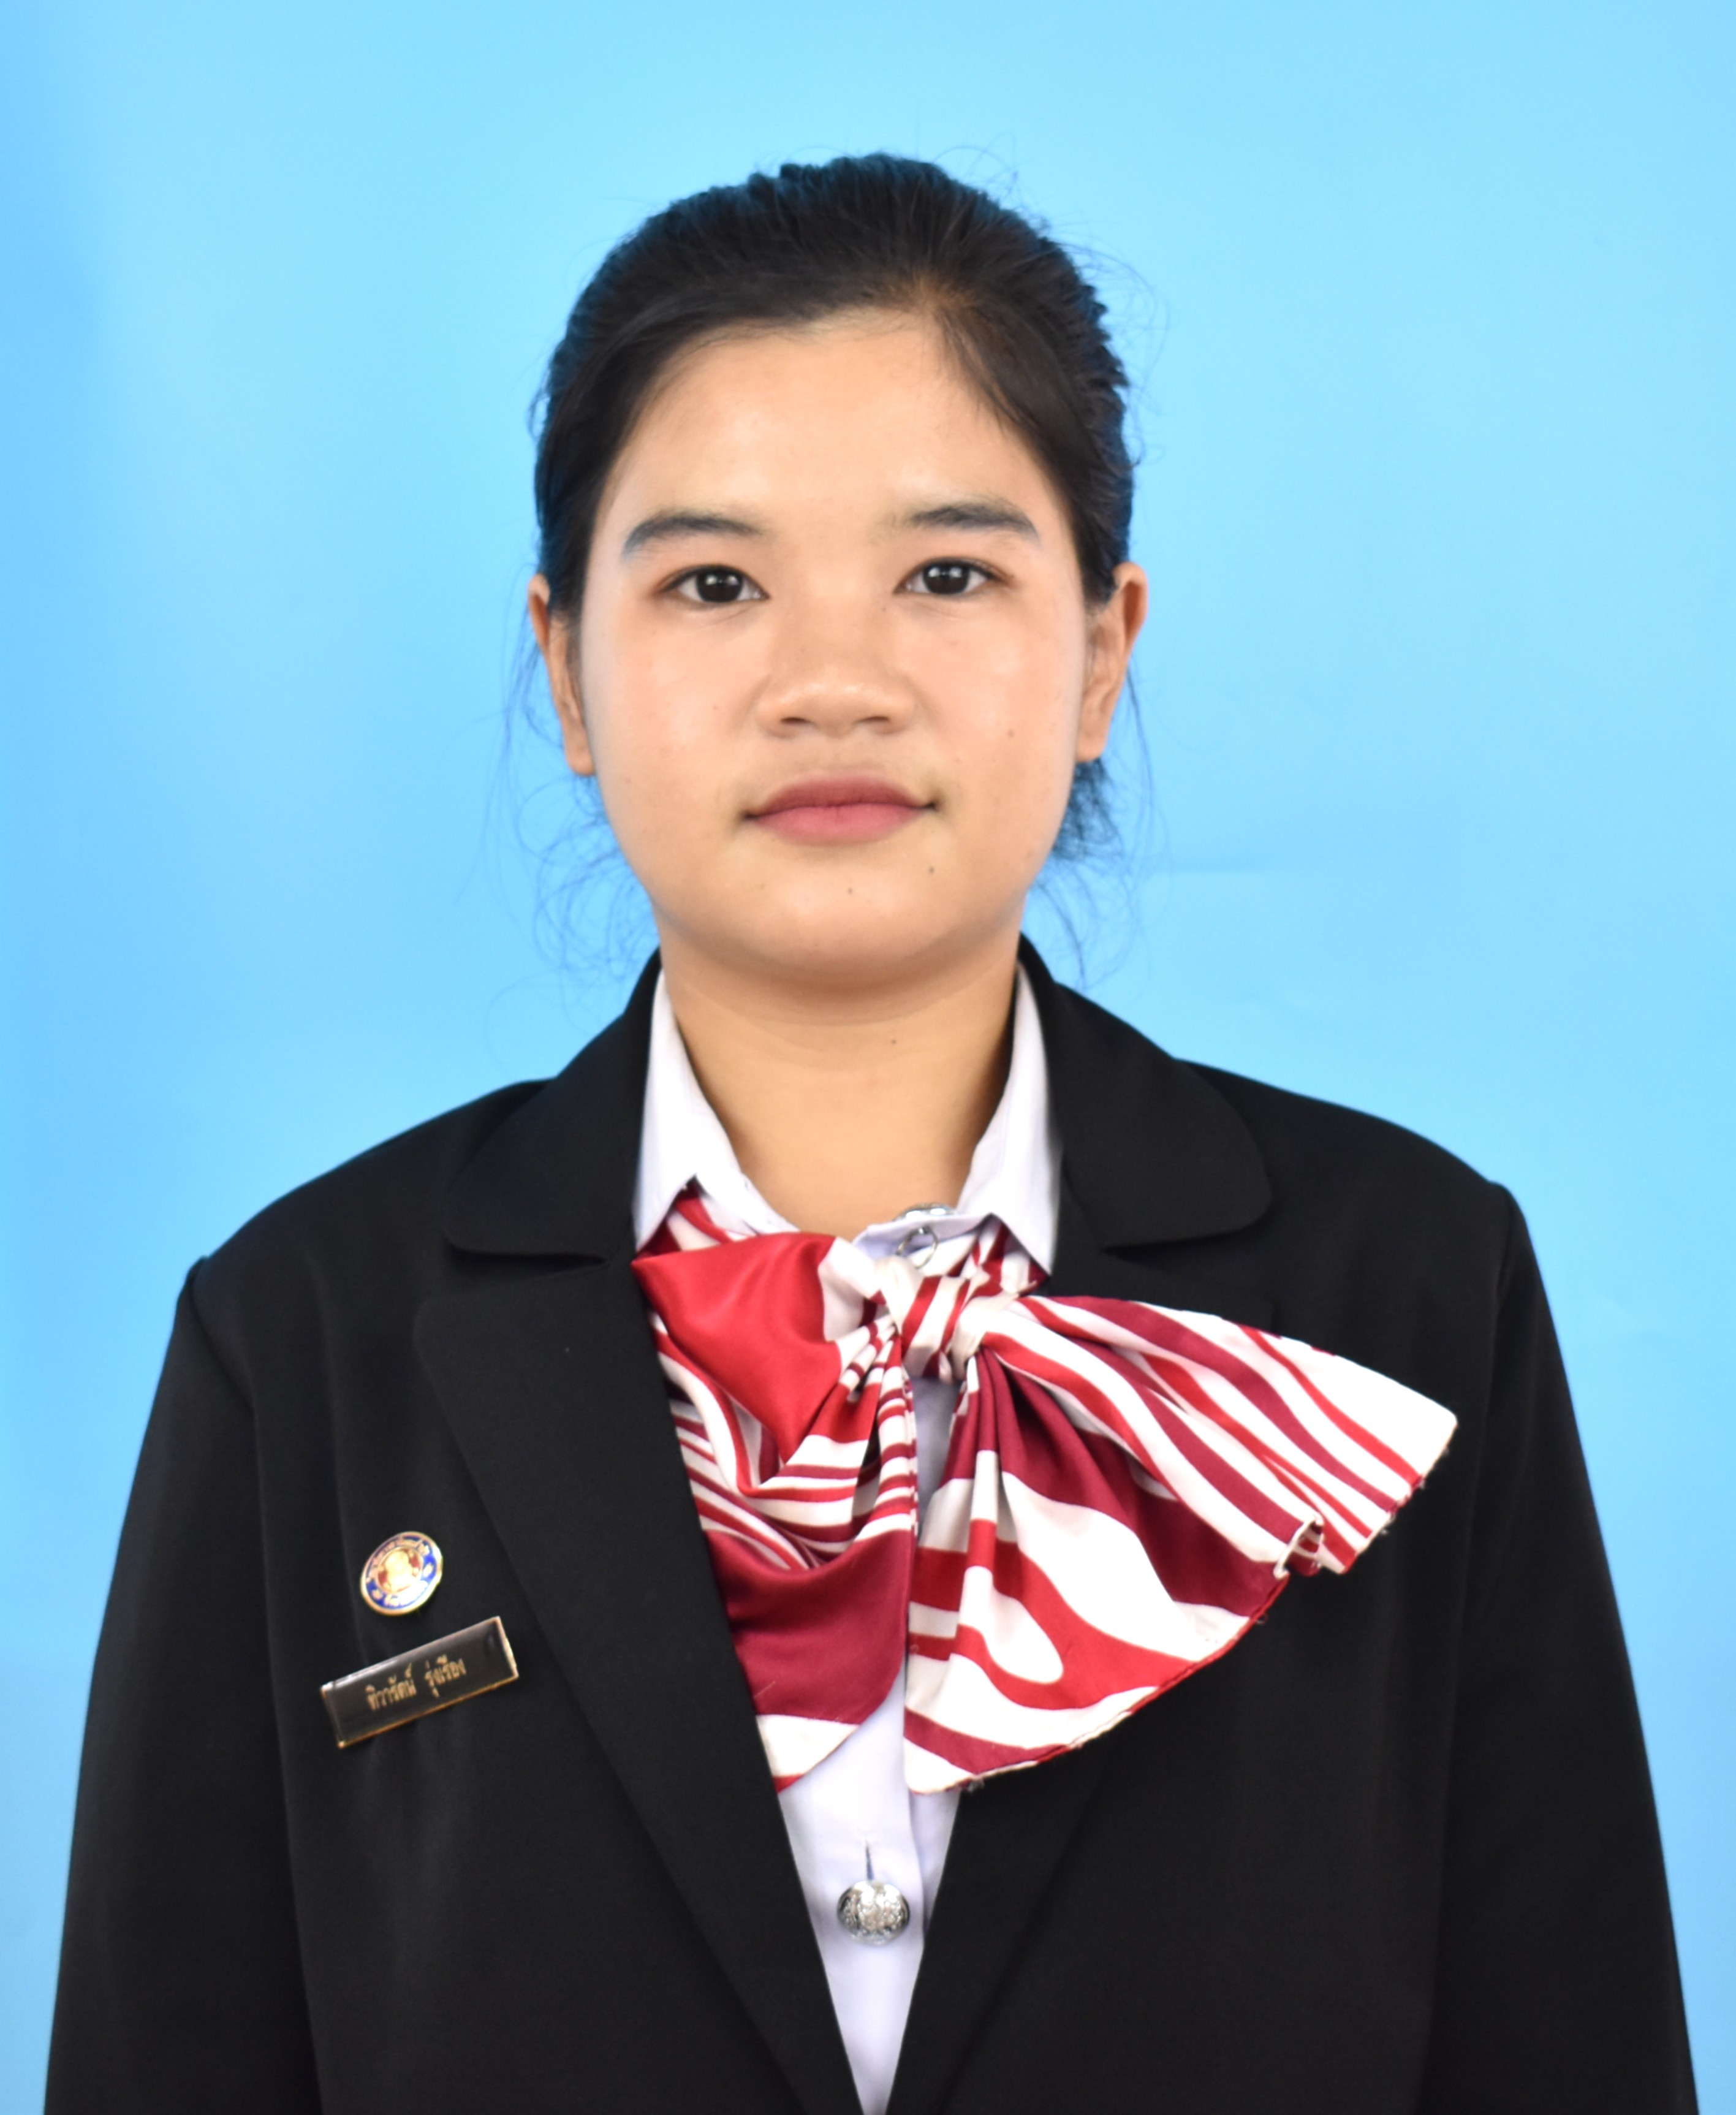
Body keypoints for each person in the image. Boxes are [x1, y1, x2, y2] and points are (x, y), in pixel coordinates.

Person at [48, 155, 1696, 2114]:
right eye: (713, 583)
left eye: (946, 574)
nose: (831, 684)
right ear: (565, 666)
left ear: (1100, 649)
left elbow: (1568, 2041)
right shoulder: (305, 1331)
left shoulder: (1408, 1286)